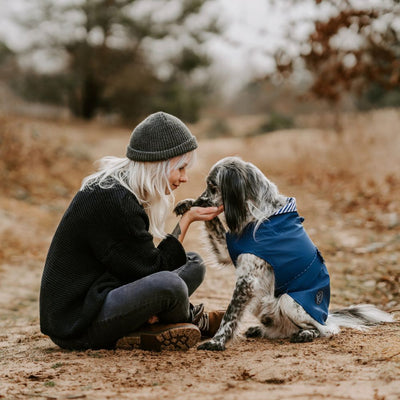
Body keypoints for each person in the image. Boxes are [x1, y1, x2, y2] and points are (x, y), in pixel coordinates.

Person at [39, 111, 224, 351]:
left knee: (193, 263)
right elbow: (154, 270)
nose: (185, 178)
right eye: (180, 169)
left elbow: (141, 268)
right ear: (158, 164)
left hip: (105, 291)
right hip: (78, 321)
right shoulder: (115, 201)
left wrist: (188, 217)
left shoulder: (121, 188)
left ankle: (149, 326)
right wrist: (187, 219)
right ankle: (191, 319)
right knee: (171, 285)